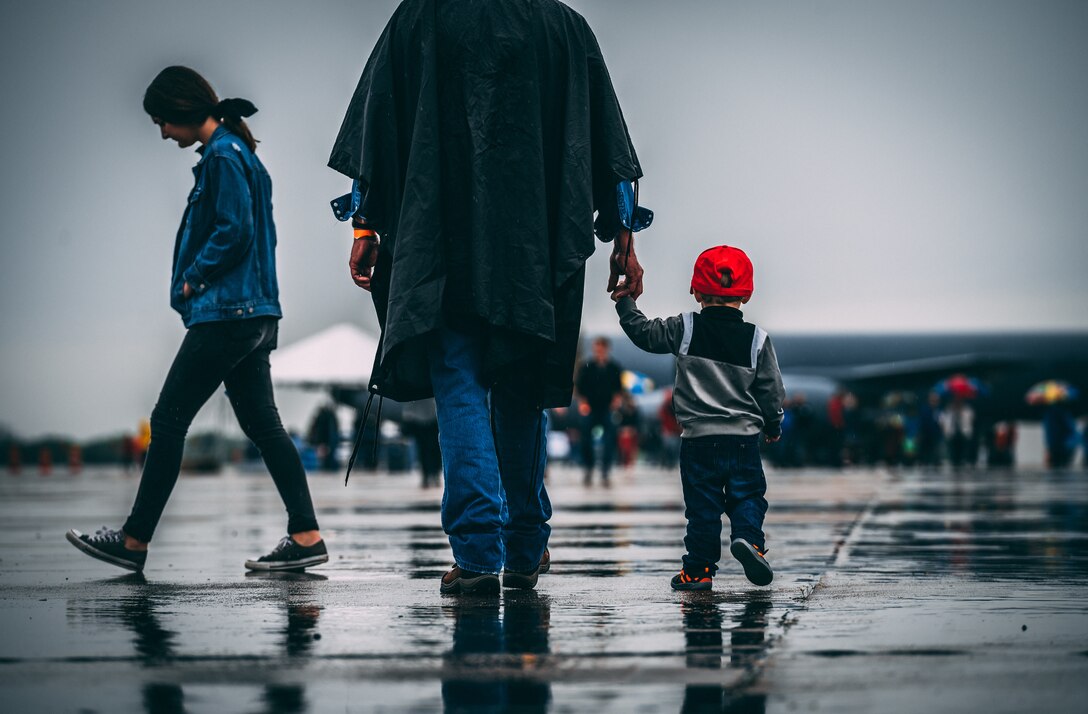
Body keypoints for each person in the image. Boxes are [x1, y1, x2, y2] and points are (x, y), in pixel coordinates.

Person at [328, 0, 651, 594]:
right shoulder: (563, 26)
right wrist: (624, 242)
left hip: (440, 246)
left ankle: (477, 555)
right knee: (521, 387)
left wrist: (364, 227)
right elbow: (609, 147)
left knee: (458, 385)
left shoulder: (420, 17)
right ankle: (526, 546)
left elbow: (378, 135)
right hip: (534, 247)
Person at [66, 66, 327, 573]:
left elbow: (236, 231)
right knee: (264, 425)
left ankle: (134, 540)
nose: (162, 133)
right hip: (255, 313)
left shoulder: (224, 159)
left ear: (182, 110)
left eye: (162, 121)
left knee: (167, 422)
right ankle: (306, 534)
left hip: (228, 314)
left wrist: (193, 279)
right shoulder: (242, 155)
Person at [613, 245, 784, 590]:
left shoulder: (685, 329)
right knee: (748, 496)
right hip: (743, 440)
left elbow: (644, 334)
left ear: (695, 290)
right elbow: (771, 391)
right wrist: (773, 423)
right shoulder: (757, 339)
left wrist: (625, 303)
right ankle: (749, 541)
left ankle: (698, 571)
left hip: (698, 441)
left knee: (702, 509)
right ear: (746, 294)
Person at [575, 337, 625, 485]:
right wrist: (583, 403)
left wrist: (616, 402)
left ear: (607, 349)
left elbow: (618, 389)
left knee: (610, 439)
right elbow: (580, 388)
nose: (598, 352)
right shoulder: (587, 367)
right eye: (596, 349)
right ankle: (589, 468)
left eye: (601, 349)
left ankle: (605, 471)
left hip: (607, 408)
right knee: (585, 439)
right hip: (590, 408)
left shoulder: (614, 367)